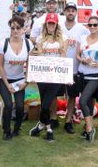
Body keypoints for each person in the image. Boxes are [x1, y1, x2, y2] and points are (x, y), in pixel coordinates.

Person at [29, 13, 67, 142]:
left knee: (46, 105)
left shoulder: (63, 39)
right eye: (49, 23)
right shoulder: (40, 39)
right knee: (44, 102)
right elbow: (38, 57)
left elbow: (63, 58)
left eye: (53, 23)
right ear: (45, 24)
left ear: (56, 25)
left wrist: (60, 73)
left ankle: (46, 128)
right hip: (43, 76)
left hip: (55, 77)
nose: (51, 25)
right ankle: (43, 126)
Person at [0, 16, 33, 140]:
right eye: (13, 28)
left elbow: (30, 65)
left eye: (18, 28)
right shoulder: (3, 43)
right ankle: (6, 131)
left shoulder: (28, 44)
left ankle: (17, 128)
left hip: (20, 80)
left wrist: (26, 81)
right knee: (7, 104)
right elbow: (0, 66)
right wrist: (7, 84)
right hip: (4, 79)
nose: (16, 30)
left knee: (19, 106)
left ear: (23, 29)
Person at [77, 16, 98, 142]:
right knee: (89, 103)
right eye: (90, 25)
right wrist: (83, 60)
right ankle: (86, 129)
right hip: (82, 74)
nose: (92, 27)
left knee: (82, 101)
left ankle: (90, 128)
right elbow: (77, 55)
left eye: (95, 25)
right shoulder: (83, 38)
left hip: (94, 76)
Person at [61, 2, 89, 134]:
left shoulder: (82, 29)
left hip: (74, 68)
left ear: (76, 12)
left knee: (72, 96)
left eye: (73, 10)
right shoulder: (59, 26)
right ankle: (53, 118)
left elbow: (88, 45)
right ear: (64, 12)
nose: (70, 12)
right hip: (59, 68)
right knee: (56, 95)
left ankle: (68, 120)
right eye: (68, 10)